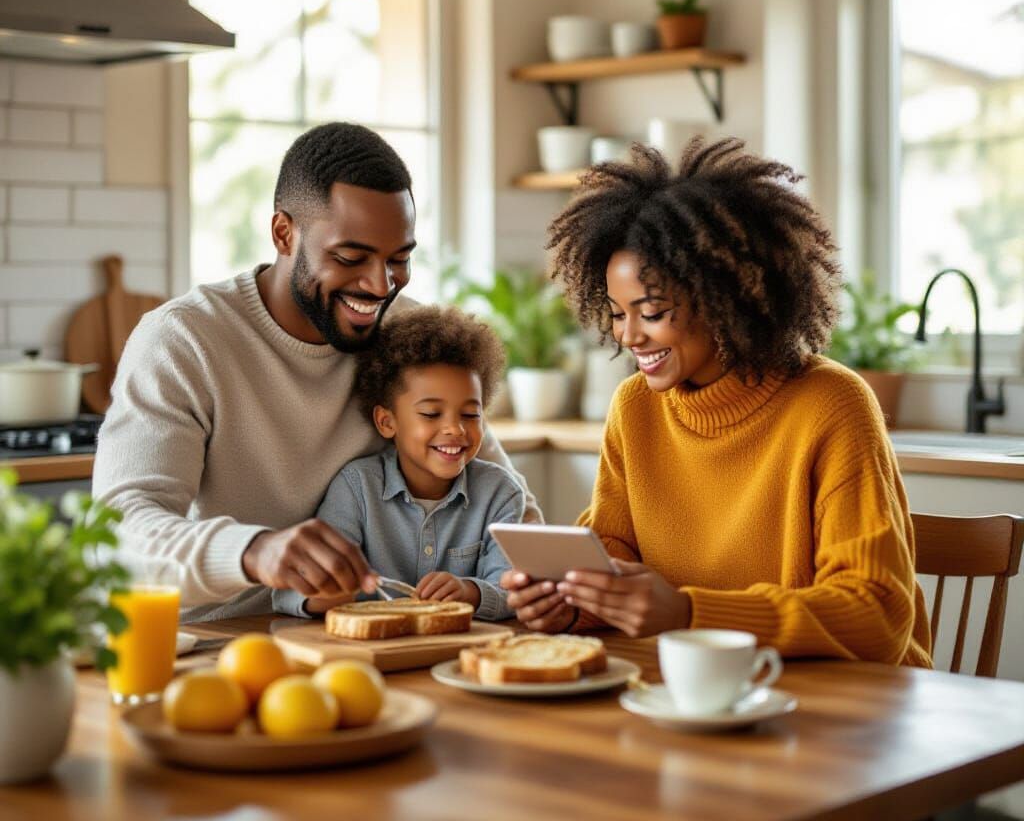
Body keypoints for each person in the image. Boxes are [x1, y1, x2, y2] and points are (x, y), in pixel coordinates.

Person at [502, 137, 931, 669]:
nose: (629, 336)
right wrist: (572, 603)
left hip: (850, 707)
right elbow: (616, 552)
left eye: (652, 311)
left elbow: (877, 616)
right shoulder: (635, 407)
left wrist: (687, 612)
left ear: (724, 298)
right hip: (699, 687)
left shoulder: (832, 405)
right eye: (617, 313)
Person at [93, 122, 540, 622]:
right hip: (214, 646)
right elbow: (116, 538)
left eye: (399, 259)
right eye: (351, 257)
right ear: (284, 233)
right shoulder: (185, 339)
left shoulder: (407, 330)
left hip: (364, 641)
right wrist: (254, 551)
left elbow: (506, 500)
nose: (379, 284)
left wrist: (516, 585)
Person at [273, 305, 523, 621]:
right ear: (387, 422)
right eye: (432, 414)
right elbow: (290, 590)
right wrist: (324, 593)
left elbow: (515, 589)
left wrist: (470, 592)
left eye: (471, 415)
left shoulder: (500, 493)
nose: (456, 429)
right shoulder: (357, 488)